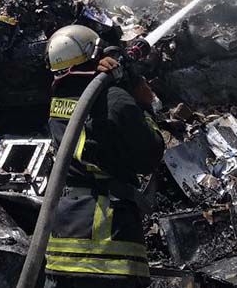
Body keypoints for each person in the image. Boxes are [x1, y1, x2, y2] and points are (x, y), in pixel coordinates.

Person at [44, 24, 165, 287]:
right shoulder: (114, 99)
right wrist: (144, 102)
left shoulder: (57, 103)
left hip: (62, 241)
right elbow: (150, 154)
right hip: (108, 246)